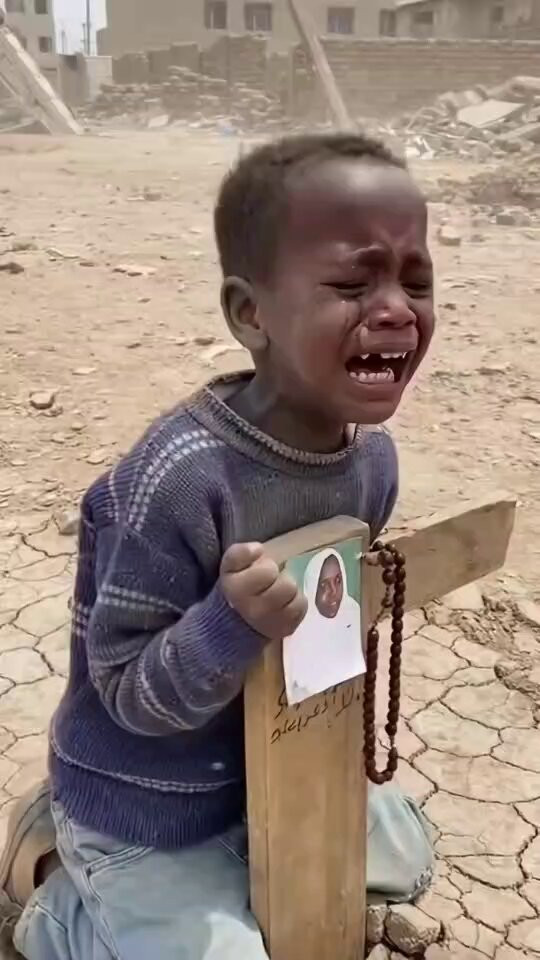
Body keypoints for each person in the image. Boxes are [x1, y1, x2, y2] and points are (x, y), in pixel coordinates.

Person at [1, 132, 435, 959]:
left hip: (275, 768)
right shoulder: (173, 484)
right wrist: (229, 625)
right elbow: (127, 695)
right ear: (249, 313)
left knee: (408, 856)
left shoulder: (373, 464)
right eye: (352, 284)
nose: (394, 310)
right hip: (148, 806)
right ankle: (59, 905)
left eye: (415, 281)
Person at [284, 548, 365, 703]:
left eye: (338, 581)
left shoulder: (352, 612)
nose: (333, 592)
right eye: (323, 585)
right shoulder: (299, 630)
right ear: (312, 587)